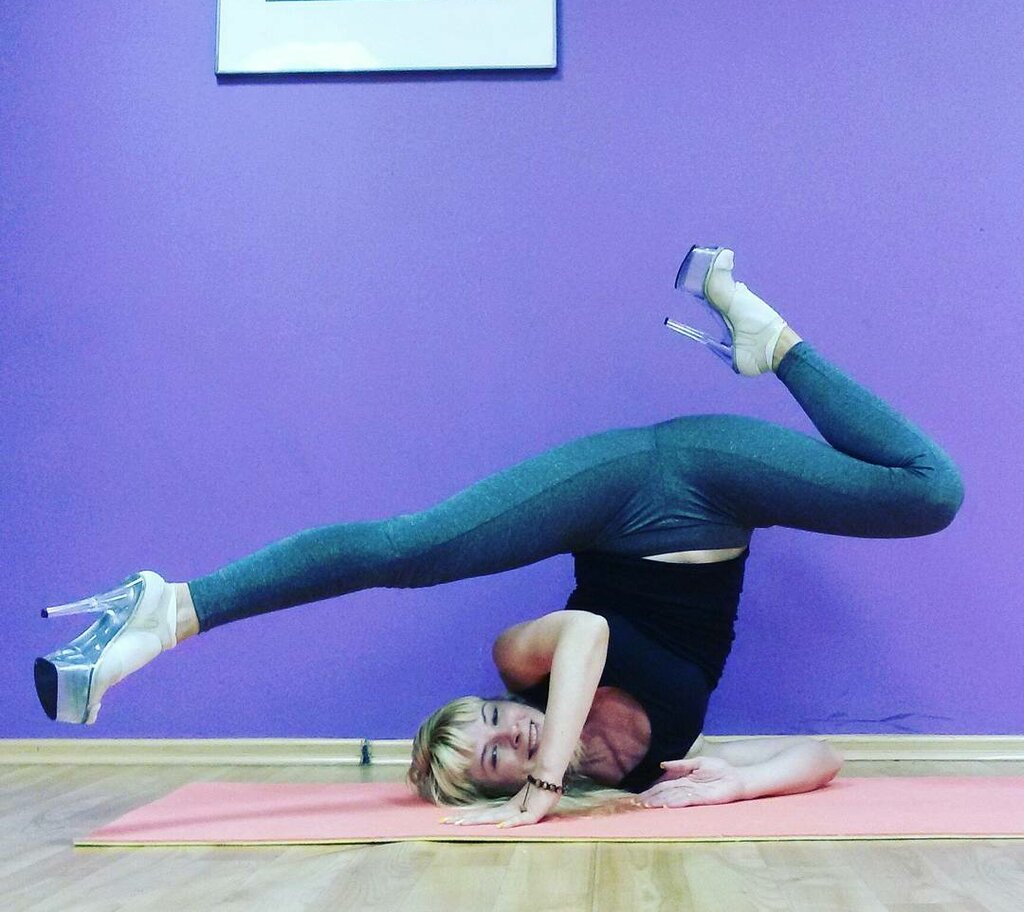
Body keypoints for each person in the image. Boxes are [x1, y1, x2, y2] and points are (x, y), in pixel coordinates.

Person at [35, 246, 964, 828]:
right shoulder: (645, 774)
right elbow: (823, 758)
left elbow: (588, 634)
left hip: (631, 485)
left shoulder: (523, 663)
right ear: (498, 783)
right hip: (718, 502)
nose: (511, 730)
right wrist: (741, 783)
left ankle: (171, 608)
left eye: (488, 719)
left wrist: (545, 784)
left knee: (411, 548)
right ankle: (769, 343)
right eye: (498, 755)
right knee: (931, 497)